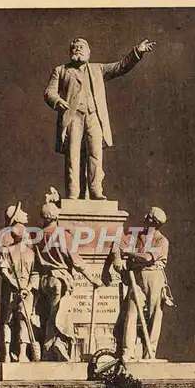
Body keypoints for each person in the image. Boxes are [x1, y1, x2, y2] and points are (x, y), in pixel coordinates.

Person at [44, 37, 156, 200]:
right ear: (70, 52)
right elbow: (49, 92)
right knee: (73, 155)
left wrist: (137, 51)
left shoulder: (98, 69)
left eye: (81, 47)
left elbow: (120, 66)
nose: (78, 50)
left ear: (89, 53)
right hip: (73, 117)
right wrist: (57, 100)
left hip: (94, 116)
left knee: (95, 154)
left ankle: (96, 190)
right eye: (75, 48)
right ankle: (73, 193)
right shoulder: (61, 70)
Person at [35, 199, 102, 361]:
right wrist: (92, 278)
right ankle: (59, 343)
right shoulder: (62, 235)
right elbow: (76, 260)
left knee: (51, 313)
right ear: (56, 216)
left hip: (45, 280)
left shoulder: (38, 235)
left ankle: (49, 348)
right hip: (61, 280)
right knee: (61, 313)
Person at [112, 207, 173, 361]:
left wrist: (129, 253)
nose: (144, 216)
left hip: (154, 278)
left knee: (154, 315)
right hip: (137, 277)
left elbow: (147, 258)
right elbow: (118, 241)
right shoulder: (138, 235)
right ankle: (128, 351)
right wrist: (117, 257)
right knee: (132, 311)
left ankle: (149, 352)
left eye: (148, 215)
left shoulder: (161, 241)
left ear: (154, 221)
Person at [0, 201, 40, 363]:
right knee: (16, 319)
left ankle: (12, 353)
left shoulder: (23, 237)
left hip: (16, 285)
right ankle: (13, 353)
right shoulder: (6, 236)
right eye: (21, 211)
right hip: (16, 286)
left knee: (11, 319)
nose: (25, 213)